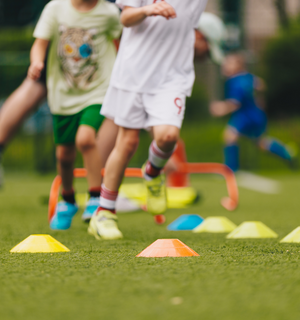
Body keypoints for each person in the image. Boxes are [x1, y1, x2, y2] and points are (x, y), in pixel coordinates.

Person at [87, 0, 208, 240]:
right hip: (133, 74)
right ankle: (104, 213)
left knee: (168, 137)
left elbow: (189, 25)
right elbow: (125, 18)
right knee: (128, 142)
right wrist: (147, 10)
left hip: (172, 77)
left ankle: (152, 172)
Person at [28, 0, 122, 230]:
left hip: (98, 89)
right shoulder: (55, 9)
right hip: (64, 94)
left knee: (86, 138)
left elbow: (121, 45)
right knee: (64, 155)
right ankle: (68, 199)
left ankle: (94, 197)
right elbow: (40, 43)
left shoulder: (109, 13)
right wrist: (36, 61)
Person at [210, 53, 296, 172]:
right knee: (261, 143)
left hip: (244, 116)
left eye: (229, 63)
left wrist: (221, 109)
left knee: (229, 136)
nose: (225, 65)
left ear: (238, 66)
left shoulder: (235, 81)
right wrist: (259, 99)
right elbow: (261, 85)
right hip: (257, 115)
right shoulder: (248, 77)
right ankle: (286, 152)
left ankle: (231, 169)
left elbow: (235, 104)